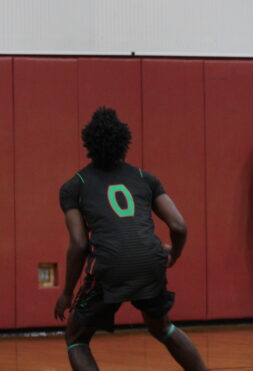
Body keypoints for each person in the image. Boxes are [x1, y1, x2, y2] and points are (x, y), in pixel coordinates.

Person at [54, 107, 207, 371]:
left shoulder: (74, 185)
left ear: (88, 144)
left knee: (76, 338)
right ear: (124, 143)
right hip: (150, 261)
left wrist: (67, 293)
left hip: (110, 265)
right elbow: (179, 226)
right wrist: (174, 253)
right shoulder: (144, 178)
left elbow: (79, 243)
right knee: (162, 327)